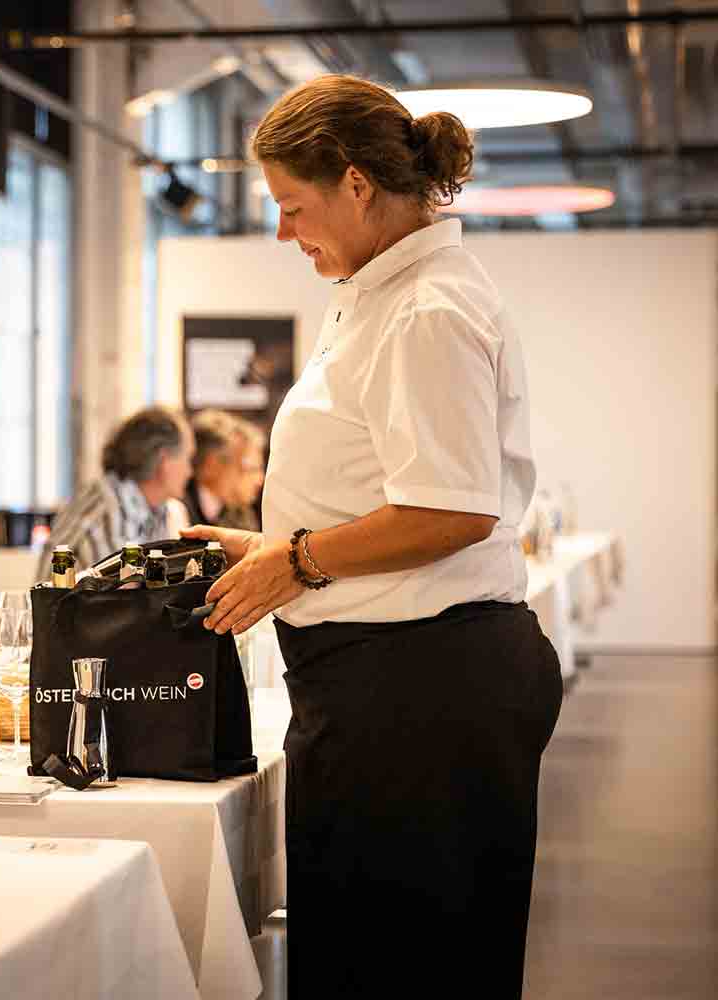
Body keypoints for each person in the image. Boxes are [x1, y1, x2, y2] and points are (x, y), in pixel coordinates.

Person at [182, 76, 562, 998]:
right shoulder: (381, 292)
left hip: (419, 696)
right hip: (394, 689)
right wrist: (269, 549)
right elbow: (386, 487)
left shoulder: (425, 309)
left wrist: (298, 561)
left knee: (404, 971)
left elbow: (452, 508)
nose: (284, 233)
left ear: (357, 185)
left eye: (291, 207)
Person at [35, 406, 193, 581]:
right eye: (187, 459)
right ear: (165, 461)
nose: (189, 471)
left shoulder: (171, 511)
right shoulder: (98, 512)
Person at [183, 409, 266, 531]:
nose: (260, 479)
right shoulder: (177, 510)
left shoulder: (240, 513)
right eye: (251, 468)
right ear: (211, 465)